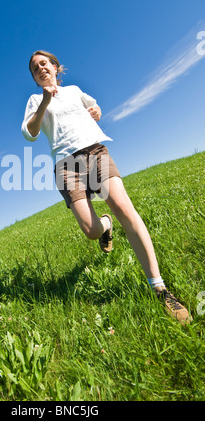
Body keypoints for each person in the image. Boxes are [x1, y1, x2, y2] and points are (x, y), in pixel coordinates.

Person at [21, 50, 191, 325]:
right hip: (65, 165)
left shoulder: (75, 90)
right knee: (90, 231)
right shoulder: (34, 100)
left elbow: (94, 108)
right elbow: (30, 134)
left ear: (55, 67)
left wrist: (96, 111)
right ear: (35, 77)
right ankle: (105, 225)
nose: (40, 68)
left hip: (94, 151)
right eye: (34, 68)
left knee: (124, 207)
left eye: (44, 63)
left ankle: (159, 287)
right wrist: (44, 103)